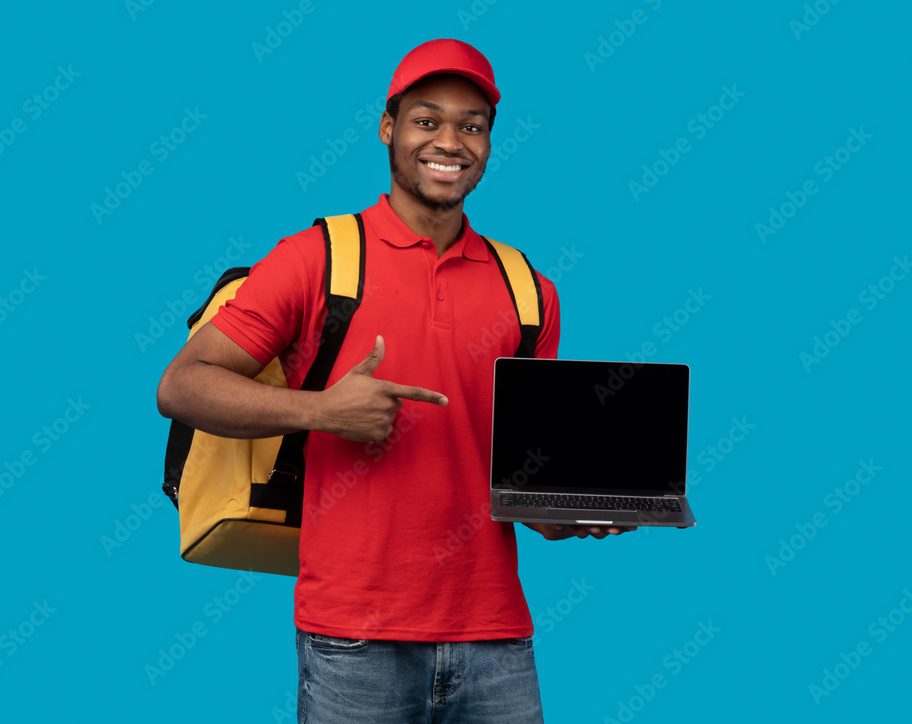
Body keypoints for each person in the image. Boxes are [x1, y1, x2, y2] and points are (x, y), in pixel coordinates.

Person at [157, 38, 633, 724]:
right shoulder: (317, 258)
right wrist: (321, 410)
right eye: (426, 119)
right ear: (388, 128)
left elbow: (520, 491)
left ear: (490, 143)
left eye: (472, 125)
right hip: (356, 638)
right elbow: (182, 386)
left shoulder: (529, 290)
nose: (450, 141)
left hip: (495, 638)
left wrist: (576, 512)